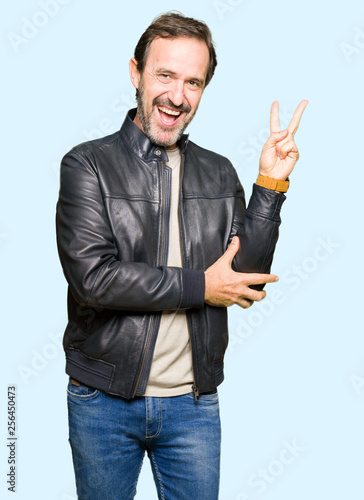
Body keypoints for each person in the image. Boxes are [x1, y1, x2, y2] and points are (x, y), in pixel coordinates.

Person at [56, 11, 307, 500]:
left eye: (193, 82)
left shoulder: (218, 172)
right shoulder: (87, 165)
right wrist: (201, 287)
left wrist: (270, 185)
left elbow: (246, 278)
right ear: (136, 73)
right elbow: (95, 279)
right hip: (102, 401)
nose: (177, 96)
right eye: (165, 75)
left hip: (193, 406)